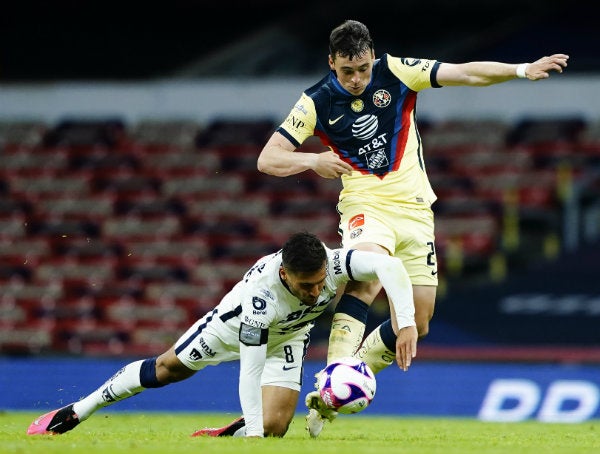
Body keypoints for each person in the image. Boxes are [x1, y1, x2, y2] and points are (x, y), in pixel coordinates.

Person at [256, 19, 569, 436]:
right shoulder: (314, 102)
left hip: (417, 211)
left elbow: (465, 72)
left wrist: (520, 69)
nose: (356, 79)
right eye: (347, 71)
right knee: (367, 274)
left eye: (363, 69)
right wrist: (311, 160)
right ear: (331, 63)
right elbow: (268, 158)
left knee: (418, 321)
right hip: (365, 204)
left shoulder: (398, 71)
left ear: (372, 57)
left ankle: (335, 393)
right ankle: (333, 372)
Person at [27, 231, 416, 438]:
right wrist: (254, 441)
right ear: (285, 274)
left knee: (276, 428)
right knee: (167, 369)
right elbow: (250, 370)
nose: (317, 292)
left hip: (291, 336)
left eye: (319, 284)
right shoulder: (262, 298)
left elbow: (391, 268)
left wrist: (408, 320)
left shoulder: (333, 264)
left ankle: (231, 432)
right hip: (228, 329)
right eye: (306, 286)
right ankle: (80, 409)